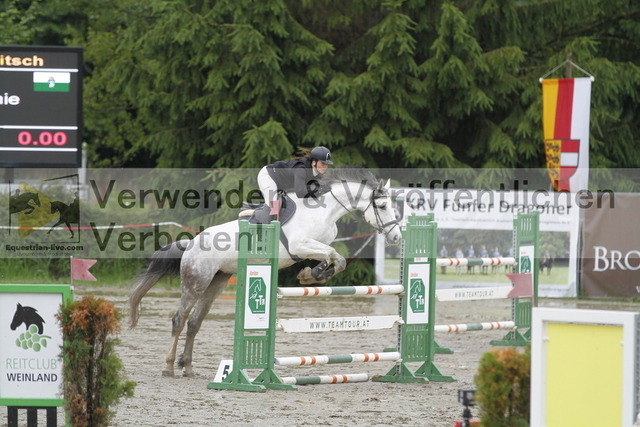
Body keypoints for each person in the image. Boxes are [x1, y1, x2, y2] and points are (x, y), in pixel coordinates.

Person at [257, 146, 333, 219]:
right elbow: (300, 193)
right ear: (314, 163)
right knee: (274, 208)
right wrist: (320, 191)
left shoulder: (317, 173)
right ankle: (256, 217)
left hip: (281, 183)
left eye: (327, 164)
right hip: (268, 176)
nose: (325, 167)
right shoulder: (301, 170)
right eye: (322, 163)